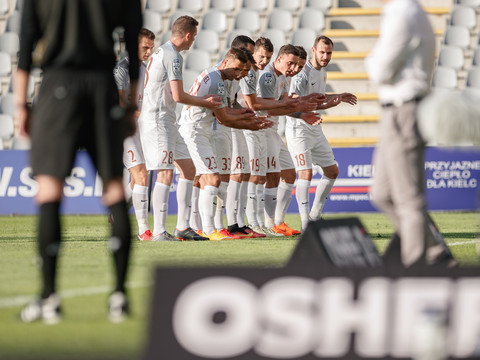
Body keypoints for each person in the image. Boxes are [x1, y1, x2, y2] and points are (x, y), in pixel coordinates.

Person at [15, 0, 142, 323]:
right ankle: (119, 297)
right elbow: (132, 47)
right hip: (103, 88)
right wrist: (130, 107)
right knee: (114, 187)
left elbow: (26, 45)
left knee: (49, 190)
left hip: (57, 85)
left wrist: (21, 105)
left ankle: (48, 299)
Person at [365, 0, 450, 267]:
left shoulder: (402, 13)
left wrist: (371, 60)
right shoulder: (408, 12)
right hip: (398, 109)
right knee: (382, 193)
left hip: (404, 109)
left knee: (408, 201)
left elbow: (380, 70)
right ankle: (436, 253)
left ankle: (415, 271)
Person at [138, 15, 221, 242]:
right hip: (157, 120)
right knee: (165, 172)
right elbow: (178, 95)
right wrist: (206, 101)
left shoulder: (162, 52)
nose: (193, 41)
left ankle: (182, 227)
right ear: (187, 35)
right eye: (193, 36)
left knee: (189, 168)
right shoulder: (173, 56)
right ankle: (158, 231)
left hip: (167, 120)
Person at [179, 48, 273, 241]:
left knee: (210, 179)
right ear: (226, 61)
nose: (239, 74)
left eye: (244, 71)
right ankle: (206, 229)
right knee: (211, 179)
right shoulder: (217, 82)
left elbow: (225, 112)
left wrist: (247, 116)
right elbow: (224, 119)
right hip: (195, 130)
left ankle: (208, 228)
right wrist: (252, 124)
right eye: (237, 69)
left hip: (200, 129)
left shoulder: (215, 76)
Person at [286, 35, 357, 232]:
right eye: (322, 52)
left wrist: (336, 98)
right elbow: (290, 106)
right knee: (305, 173)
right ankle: (306, 224)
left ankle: (315, 215)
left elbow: (317, 101)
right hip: (298, 128)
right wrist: (306, 115)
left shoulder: (322, 73)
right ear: (313, 50)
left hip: (315, 128)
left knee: (332, 171)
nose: (326, 56)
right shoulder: (301, 74)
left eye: (329, 53)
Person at [255, 44, 323, 236]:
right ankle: (268, 224)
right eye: (291, 64)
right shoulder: (268, 76)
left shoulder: (283, 77)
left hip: (273, 130)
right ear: (279, 59)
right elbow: (271, 109)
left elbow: (284, 104)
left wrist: (300, 109)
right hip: (261, 129)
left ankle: (278, 222)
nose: (294, 69)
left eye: (298, 66)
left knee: (289, 174)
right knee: (271, 176)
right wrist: (299, 109)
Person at [114, 28, 155, 241]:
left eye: (151, 48)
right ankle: (143, 230)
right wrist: (143, 113)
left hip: (142, 127)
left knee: (138, 175)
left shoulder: (145, 69)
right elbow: (121, 103)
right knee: (140, 172)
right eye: (145, 48)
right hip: (124, 128)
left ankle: (117, 210)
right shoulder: (122, 69)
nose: (148, 52)